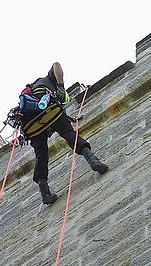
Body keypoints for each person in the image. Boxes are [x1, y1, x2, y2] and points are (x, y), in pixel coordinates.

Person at [20, 62, 108, 204]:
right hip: (49, 108)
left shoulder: (28, 98)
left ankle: (45, 193)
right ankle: (93, 160)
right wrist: (60, 87)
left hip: (29, 122)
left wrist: (71, 119)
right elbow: (56, 65)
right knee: (69, 134)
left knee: (41, 154)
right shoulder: (48, 80)